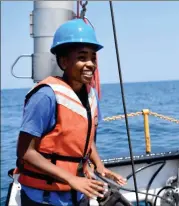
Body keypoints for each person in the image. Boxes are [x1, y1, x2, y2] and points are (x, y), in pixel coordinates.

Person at [15, 19, 127, 206]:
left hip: (77, 194)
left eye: (93, 57)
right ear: (64, 61)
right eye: (82, 57)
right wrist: (72, 178)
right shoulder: (46, 96)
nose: (91, 64)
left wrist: (99, 166)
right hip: (44, 198)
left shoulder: (90, 95)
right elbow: (26, 152)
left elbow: (84, 138)